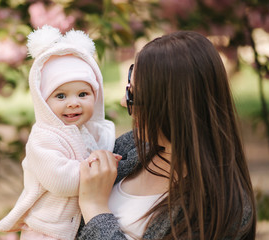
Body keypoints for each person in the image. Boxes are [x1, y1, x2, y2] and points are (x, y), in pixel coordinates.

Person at [77, 31, 256, 239]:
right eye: (129, 89)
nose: (124, 102)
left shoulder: (222, 210)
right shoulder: (132, 146)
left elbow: (91, 207)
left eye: (133, 95)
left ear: (171, 107)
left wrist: (95, 208)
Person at [0, 25, 116, 240]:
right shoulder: (43, 138)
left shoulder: (90, 131)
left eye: (82, 94)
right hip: (45, 231)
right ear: (43, 101)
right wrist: (99, 167)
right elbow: (62, 181)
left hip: (73, 228)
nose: (73, 103)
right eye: (61, 96)